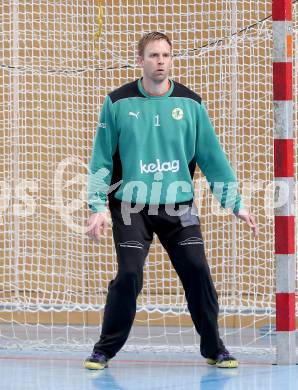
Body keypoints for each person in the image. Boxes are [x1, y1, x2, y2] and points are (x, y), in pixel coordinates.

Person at [84, 31, 258, 370]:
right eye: (153, 55)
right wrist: (97, 207)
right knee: (130, 275)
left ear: (171, 59)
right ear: (140, 61)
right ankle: (104, 349)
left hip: (178, 205)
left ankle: (214, 347)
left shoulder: (191, 104)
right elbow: (101, 161)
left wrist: (235, 203)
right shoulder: (117, 102)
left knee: (197, 270)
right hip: (130, 206)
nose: (160, 61)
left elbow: (212, 158)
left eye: (165, 55)